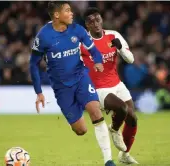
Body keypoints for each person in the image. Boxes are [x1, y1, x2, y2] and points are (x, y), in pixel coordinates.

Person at [29, 2, 115, 166]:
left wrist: (97, 61)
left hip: (81, 76)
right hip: (62, 88)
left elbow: (94, 51)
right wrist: (39, 92)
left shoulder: (77, 30)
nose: (72, 13)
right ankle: (77, 111)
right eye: (67, 11)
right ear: (56, 15)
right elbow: (33, 64)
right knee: (81, 130)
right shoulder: (44, 36)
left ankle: (108, 160)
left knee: (95, 112)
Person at [80, 7, 139, 164]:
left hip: (117, 84)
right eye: (91, 22)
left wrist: (120, 47)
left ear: (102, 20)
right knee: (122, 109)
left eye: (98, 19)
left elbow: (131, 60)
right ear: (87, 25)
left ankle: (125, 155)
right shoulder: (82, 42)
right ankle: (113, 129)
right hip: (98, 88)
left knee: (132, 118)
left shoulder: (114, 35)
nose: (96, 24)